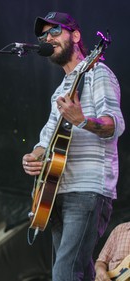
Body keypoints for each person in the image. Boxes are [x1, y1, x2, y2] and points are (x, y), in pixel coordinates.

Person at [22, 12, 125, 280]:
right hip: (56, 190)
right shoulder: (61, 91)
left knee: (66, 270)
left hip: (88, 188)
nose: (47, 38)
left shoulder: (98, 73)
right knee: (80, 271)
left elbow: (114, 124)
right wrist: (33, 157)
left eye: (54, 31)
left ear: (76, 36)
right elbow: (46, 141)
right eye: (43, 36)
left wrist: (81, 120)